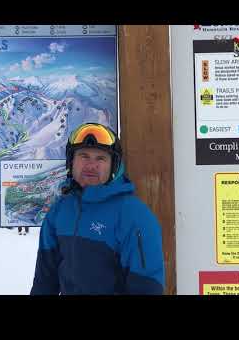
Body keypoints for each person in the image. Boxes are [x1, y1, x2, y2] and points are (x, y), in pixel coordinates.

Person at [30, 123, 165, 295]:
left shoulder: (134, 216)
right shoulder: (60, 211)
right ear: (71, 161)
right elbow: (44, 281)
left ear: (114, 166)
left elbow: (147, 287)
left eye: (101, 158)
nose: (91, 165)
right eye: (83, 156)